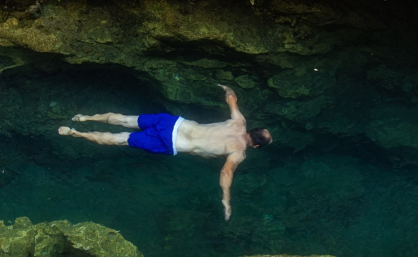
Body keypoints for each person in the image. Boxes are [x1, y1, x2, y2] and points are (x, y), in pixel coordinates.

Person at [58, 84, 272, 220]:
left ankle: (86, 117)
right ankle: (75, 133)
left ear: (251, 130)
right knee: (121, 139)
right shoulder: (239, 153)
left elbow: (232, 99)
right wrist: (226, 200)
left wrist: (226, 87)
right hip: (170, 142)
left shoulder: (239, 122)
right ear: (255, 146)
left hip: (174, 123)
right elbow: (226, 173)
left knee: (125, 119)